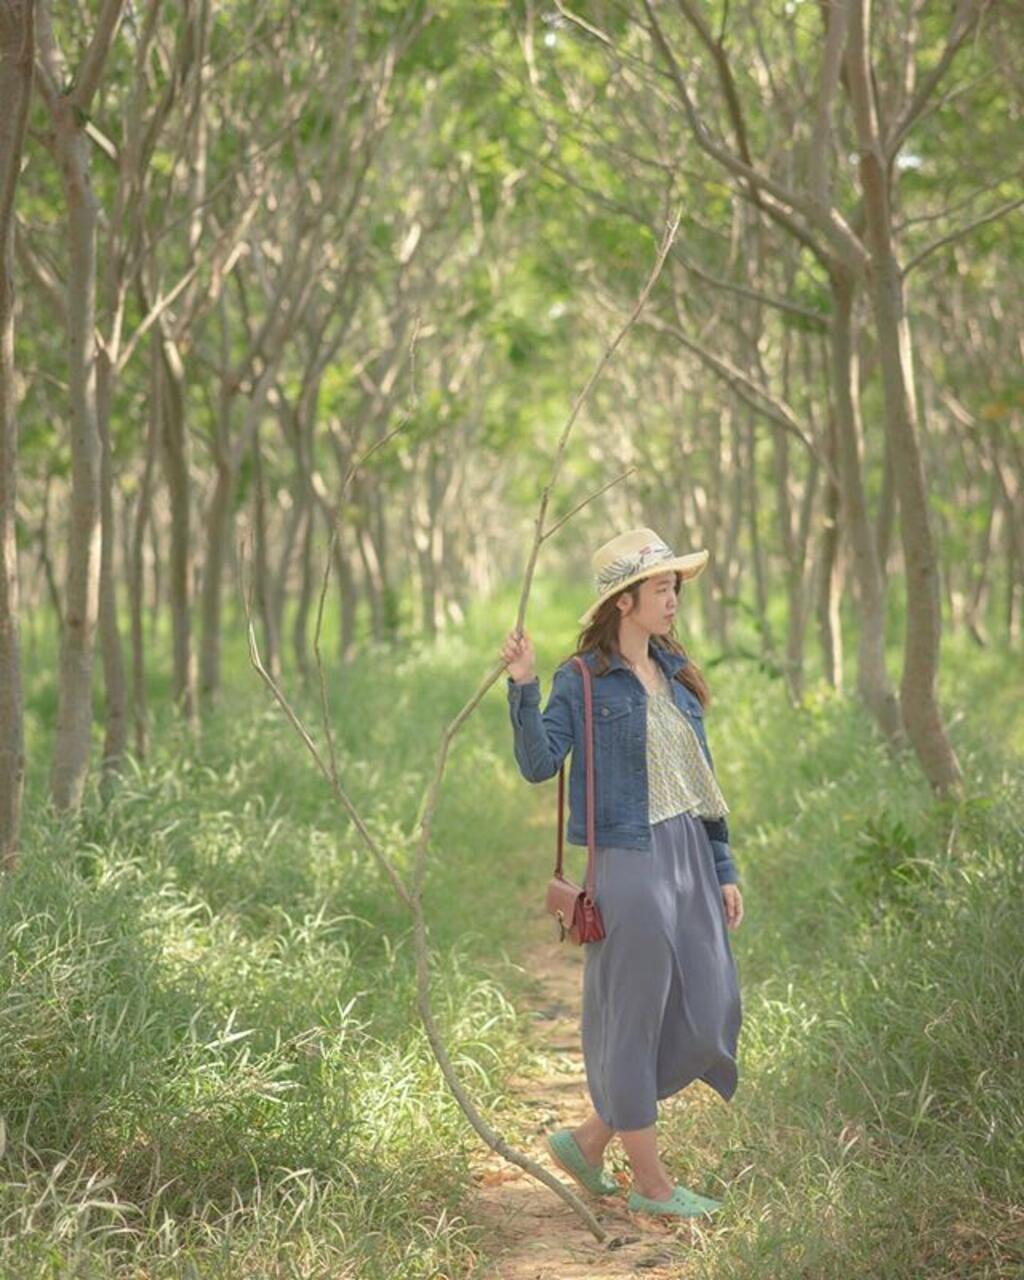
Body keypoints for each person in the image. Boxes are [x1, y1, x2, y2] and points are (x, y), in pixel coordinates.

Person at [500, 527, 744, 1220]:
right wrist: (522, 684)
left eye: (675, 587)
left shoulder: (674, 673)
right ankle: (653, 1184)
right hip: (628, 858)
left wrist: (722, 865)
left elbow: (703, 777)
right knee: (634, 1017)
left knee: (711, 1005)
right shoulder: (582, 680)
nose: (673, 600)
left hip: (690, 851)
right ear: (624, 600)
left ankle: (591, 1137)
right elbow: (540, 762)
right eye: (663, 588)